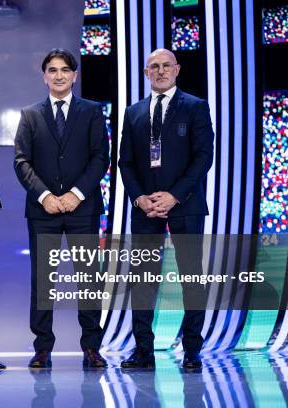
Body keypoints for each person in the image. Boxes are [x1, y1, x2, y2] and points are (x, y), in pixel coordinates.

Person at [118, 48, 214, 369]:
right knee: (143, 279)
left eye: (166, 66)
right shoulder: (133, 113)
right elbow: (126, 162)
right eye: (153, 67)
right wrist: (139, 198)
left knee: (191, 278)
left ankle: (192, 350)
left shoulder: (196, 107)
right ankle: (143, 350)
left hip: (185, 205)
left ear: (177, 69)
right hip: (145, 208)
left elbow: (203, 157)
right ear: (146, 73)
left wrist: (174, 196)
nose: (160, 71)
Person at [14, 48, 110, 369]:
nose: (59, 75)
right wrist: (46, 196)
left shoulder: (92, 111)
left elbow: (100, 158)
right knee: (44, 282)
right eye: (52, 70)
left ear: (74, 75)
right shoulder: (30, 115)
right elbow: (21, 161)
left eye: (65, 70)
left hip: (82, 208)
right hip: (43, 211)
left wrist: (76, 194)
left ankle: (91, 348)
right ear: (45, 76)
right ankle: (42, 348)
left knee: (88, 279)